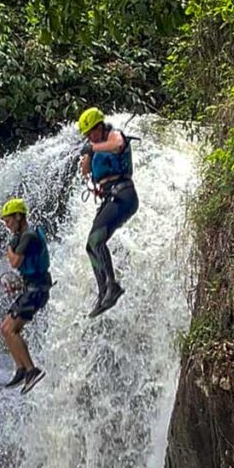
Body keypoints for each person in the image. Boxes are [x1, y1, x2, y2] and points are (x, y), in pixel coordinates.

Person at [77, 107, 139, 318]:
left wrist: (92, 148)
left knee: (96, 240)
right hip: (110, 197)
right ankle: (104, 290)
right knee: (90, 245)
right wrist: (87, 161)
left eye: (91, 133)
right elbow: (87, 172)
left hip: (124, 195)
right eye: (87, 135)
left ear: (100, 127)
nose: (89, 138)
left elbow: (118, 145)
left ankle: (112, 286)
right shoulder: (96, 147)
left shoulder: (113, 135)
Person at [0, 198, 51, 393]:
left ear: (19, 217)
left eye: (9, 221)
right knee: (4, 327)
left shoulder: (27, 236)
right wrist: (19, 285)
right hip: (33, 288)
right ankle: (20, 368)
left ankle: (31, 371)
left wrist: (10, 249)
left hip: (37, 291)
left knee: (11, 329)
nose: (7, 225)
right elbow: (33, 270)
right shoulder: (24, 235)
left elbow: (15, 262)